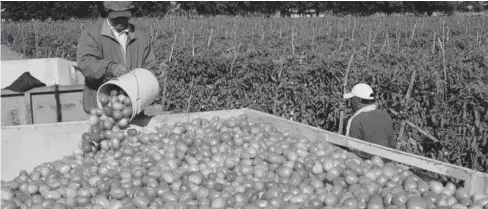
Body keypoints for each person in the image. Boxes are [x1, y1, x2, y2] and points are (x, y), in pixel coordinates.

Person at [76, 1, 157, 114]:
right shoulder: (92, 34)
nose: (120, 22)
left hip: (132, 105)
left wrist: (145, 81)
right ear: (108, 13)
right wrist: (110, 68)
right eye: (116, 18)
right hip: (101, 107)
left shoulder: (140, 36)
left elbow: (150, 66)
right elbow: (86, 64)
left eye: (123, 18)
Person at [343, 83, 396, 158]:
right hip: (388, 164)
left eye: (351, 99)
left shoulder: (357, 120)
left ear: (357, 101)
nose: (350, 103)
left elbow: (352, 150)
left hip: (367, 166)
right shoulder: (385, 115)